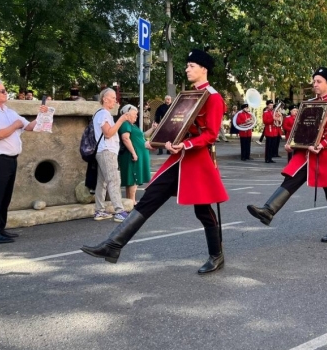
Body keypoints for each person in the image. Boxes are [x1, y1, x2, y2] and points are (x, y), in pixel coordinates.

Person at [81, 48, 229, 274]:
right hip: (180, 158)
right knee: (150, 198)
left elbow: (210, 134)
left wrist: (185, 144)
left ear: (203, 69)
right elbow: (175, 124)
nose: (187, 69)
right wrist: (160, 141)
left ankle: (216, 255)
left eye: (191, 65)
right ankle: (113, 245)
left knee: (203, 210)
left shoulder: (214, 97)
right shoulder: (189, 94)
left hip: (197, 160)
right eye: (187, 65)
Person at [247, 67, 327, 242]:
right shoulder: (309, 103)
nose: (314, 84)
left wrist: (322, 144)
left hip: (324, 153)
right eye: (314, 81)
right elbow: (300, 127)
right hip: (305, 153)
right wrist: (291, 142)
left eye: (318, 81)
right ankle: (268, 210)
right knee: (291, 178)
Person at [0, 79, 49, 243]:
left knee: (5, 197)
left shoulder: (9, 112)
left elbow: (30, 127)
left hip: (11, 159)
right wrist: (16, 125)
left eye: (5, 90)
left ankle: (0, 228)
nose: (5, 92)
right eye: (2, 90)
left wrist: (42, 115)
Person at [93, 88, 134, 222]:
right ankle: (119, 211)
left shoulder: (102, 114)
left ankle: (99, 210)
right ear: (105, 99)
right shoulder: (104, 114)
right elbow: (108, 133)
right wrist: (121, 120)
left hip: (104, 150)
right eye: (113, 98)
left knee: (102, 181)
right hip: (106, 151)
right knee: (113, 180)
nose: (115, 101)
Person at [117, 104, 152, 206]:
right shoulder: (126, 124)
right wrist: (133, 153)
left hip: (135, 155)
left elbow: (143, 136)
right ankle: (132, 201)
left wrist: (153, 128)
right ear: (127, 114)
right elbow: (125, 138)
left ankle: (130, 201)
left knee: (131, 180)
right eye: (134, 114)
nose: (136, 116)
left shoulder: (131, 125)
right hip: (131, 156)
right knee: (133, 179)